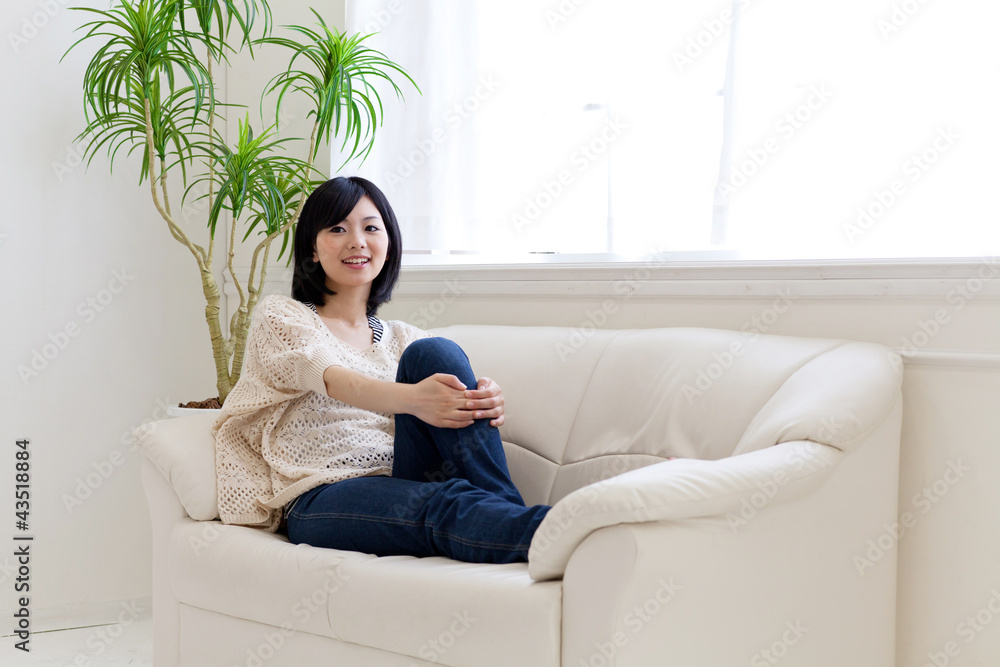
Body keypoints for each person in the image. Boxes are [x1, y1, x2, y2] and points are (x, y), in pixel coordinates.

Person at [211, 176, 550, 564]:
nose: (357, 241)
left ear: (388, 246)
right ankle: (556, 532)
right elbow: (330, 376)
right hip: (324, 494)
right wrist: (417, 400)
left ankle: (507, 509)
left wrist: (483, 398)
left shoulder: (404, 338)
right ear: (313, 248)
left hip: (403, 476)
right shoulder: (283, 316)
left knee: (435, 351)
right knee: (444, 502)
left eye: (371, 228)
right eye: (337, 228)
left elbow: (449, 407)